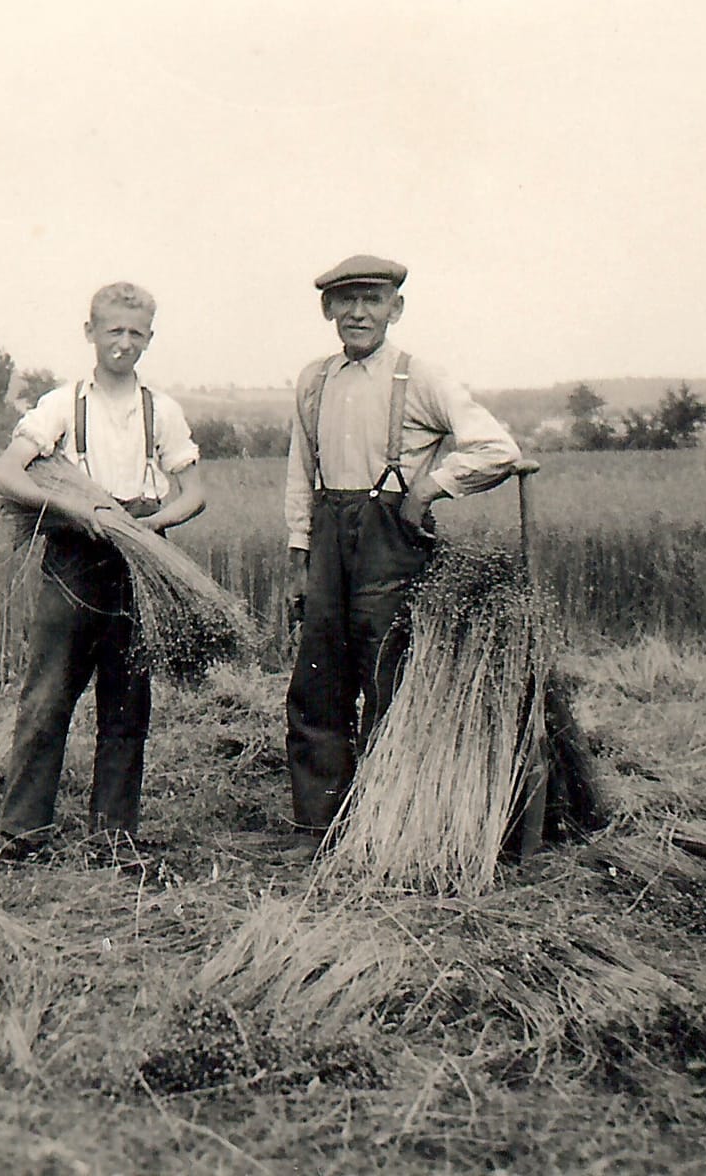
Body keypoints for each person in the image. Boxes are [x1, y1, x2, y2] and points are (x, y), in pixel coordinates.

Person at [283, 254, 522, 846]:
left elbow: (497, 448)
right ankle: (319, 823)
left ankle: (386, 822)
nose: (358, 312)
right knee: (317, 680)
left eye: (373, 300)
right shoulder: (314, 381)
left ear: (396, 309)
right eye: (346, 301)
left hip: (390, 544)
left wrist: (429, 488)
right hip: (328, 541)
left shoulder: (422, 378)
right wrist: (298, 554)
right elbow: (298, 473)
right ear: (327, 309)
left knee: (387, 675)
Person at [0, 282, 205, 861]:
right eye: (113, 331)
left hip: (139, 561)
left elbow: (194, 492)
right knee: (47, 697)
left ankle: (114, 837)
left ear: (149, 339)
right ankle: (23, 832)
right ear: (91, 332)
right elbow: (7, 475)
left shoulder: (163, 410)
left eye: (136, 333)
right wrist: (74, 509)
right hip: (75, 558)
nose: (124, 343)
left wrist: (153, 527)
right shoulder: (62, 405)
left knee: (127, 703)